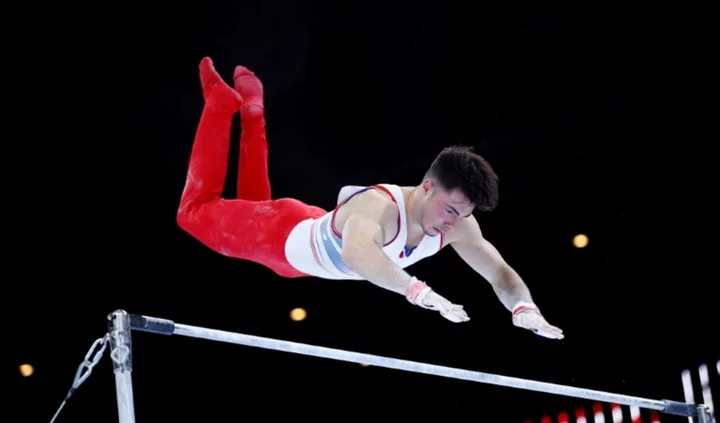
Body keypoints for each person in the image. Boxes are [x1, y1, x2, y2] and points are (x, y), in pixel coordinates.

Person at [176, 57, 564, 340]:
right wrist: (418, 291)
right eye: (449, 209)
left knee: (252, 205)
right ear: (427, 186)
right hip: (280, 237)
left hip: (298, 238)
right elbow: (358, 255)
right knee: (193, 212)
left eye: (462, 214)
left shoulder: (458, 223)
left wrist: (523, 306)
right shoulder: (377, 208)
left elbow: (498, 271)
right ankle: (221, 105)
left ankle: (254, 115)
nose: (452, 222)